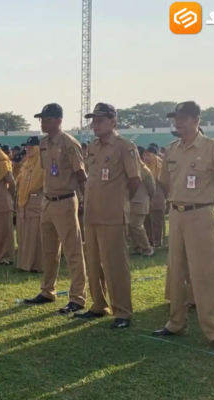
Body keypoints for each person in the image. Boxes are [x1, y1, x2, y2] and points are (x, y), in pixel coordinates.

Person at [153, 101, 214, 349]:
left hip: (201, 213)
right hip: (177, 213)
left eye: (184, 118)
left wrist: (206, 204)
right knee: (176, 271)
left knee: (205, 273)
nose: (178, 122)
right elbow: (165, 181)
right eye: (176, 118)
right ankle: (176, 322)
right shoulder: (171, 150)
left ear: (196, 120)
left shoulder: (212, 147)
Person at [75, 103, 140, 329]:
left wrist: (119, 201)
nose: (96, 124)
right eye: (94, 120)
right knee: (93, 264)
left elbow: (135, 180)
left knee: (115, 265)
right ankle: (98, 305)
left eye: (100, 120)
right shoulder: (93, 146)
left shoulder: (124, 146)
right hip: (92, 213)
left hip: (112, 215)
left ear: (113, 121)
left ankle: (122, 311)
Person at [23, 103, 88, 316]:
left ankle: (77, 297)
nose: (43, 122)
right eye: (41, 119)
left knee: (72, 251)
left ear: (59, 120)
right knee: (49, 250)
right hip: (49, 200)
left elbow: (80, 174)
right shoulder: (43, 143)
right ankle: (47, 290)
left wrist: (86, 201)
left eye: (47, 119)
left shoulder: (69, 143)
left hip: (66, 199)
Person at [15, 136, 44, 273]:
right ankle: (25, 263)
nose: (28, 149)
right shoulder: (27, 163)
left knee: (37, 234)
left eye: (31, 146)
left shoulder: (42, 162)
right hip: (25, 201)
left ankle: (37, 264)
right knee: (26, 234)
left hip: (37, 201)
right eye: (27, 146)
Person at [129, 146, 156, 256]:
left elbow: (152, 188)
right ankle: (137, 247)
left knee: (136, 225)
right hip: (131, 202)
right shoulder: (130, 168)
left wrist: (149, 198)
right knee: (131, 226)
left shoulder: (144, 170)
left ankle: (147, 248)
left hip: (140, 202)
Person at [143, 145, 166, 248]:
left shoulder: (160, 166)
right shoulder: (144, 167)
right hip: (146, 198)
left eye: (148, 155)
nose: (146, 157)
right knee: (147, 221)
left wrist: (164, 195)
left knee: (157, 221)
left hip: (157, 198)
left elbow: (165, 183)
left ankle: (157, 241)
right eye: (145, 155)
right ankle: (149, 240)